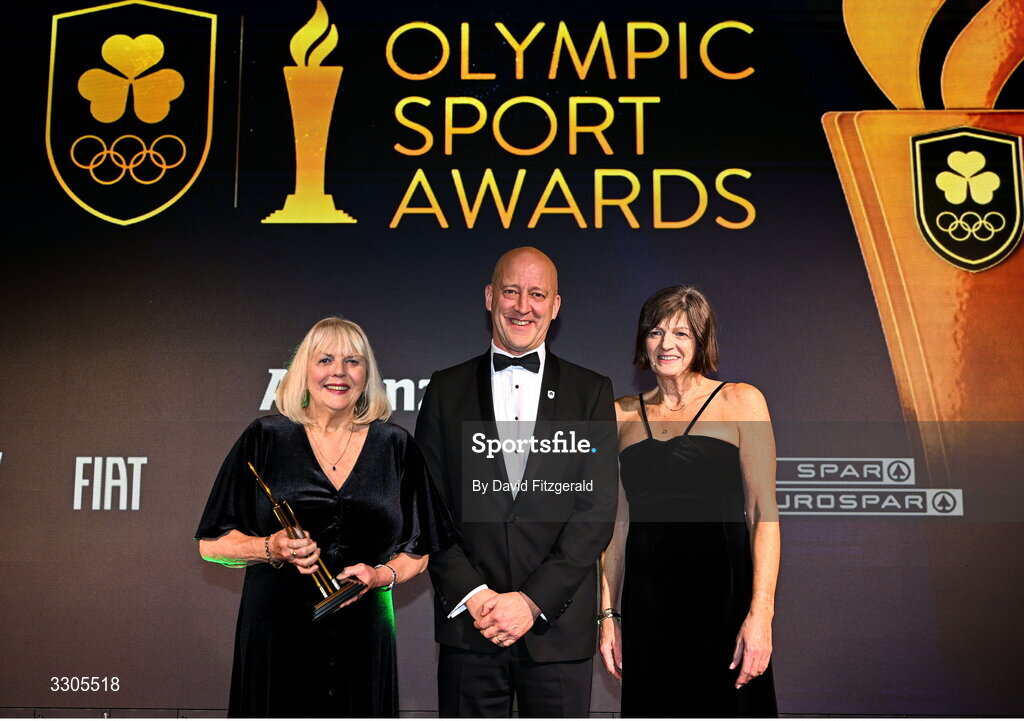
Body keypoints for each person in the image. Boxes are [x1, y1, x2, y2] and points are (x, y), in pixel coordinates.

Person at [196, 317, 456, 718]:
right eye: (326, 360)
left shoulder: (395, 445)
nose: (339, 371)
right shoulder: (266, 437)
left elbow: (419, 550)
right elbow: (212, 544)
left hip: (364, 631)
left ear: (366, 375)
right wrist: (271, 546)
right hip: (277, 631)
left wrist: (382, 575)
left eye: (353, 361)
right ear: (304, 370)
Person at [415, 247, 618, 717]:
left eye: (537, 294)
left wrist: (531, 601)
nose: (523, 306)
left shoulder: (591, 392)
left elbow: (595, 511)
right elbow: (430, 507)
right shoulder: (445, 390)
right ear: (490, 297)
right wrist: (478, 596)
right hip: (472, 627)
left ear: (556, 305)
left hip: (557, 630)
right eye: (511, 291)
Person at [598, 286, 780, 717]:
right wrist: (608, 617)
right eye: (656, 332)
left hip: (724, 604)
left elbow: (763, 515)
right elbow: (615, 526)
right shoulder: (619, 414)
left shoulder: (740, 400)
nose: (666, 345)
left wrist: (761, 616)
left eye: (681, 333)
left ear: (701, 339)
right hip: (648, 608)